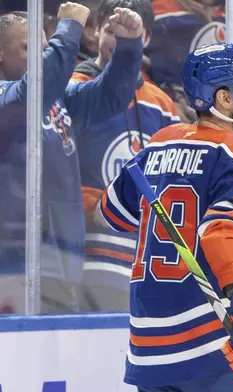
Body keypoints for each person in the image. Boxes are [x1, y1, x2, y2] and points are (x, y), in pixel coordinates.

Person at [94, 43, 233, 391]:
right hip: (214, 341)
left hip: (149, 348)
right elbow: (226, 229)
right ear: (225, 99)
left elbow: (109, 212)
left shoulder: (158, 144)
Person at [0, 2, 144, 313]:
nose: (39, 58)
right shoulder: (10, 99)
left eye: (43, 48)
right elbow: (31, 93)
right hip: (9, 267)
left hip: (62, 261)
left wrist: (129, 47)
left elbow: (110, 97)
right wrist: (68, 31)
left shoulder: (56, 96)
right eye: (28, 48)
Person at [71, 0, 179, 312]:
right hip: (87, 251)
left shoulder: (162, 103)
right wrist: (96, 208)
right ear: (93, 33)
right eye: (112, 32)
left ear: (145, 40)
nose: (121, 42)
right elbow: (57, 171)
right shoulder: (73, 90)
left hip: (145, 256)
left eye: (131, 34)